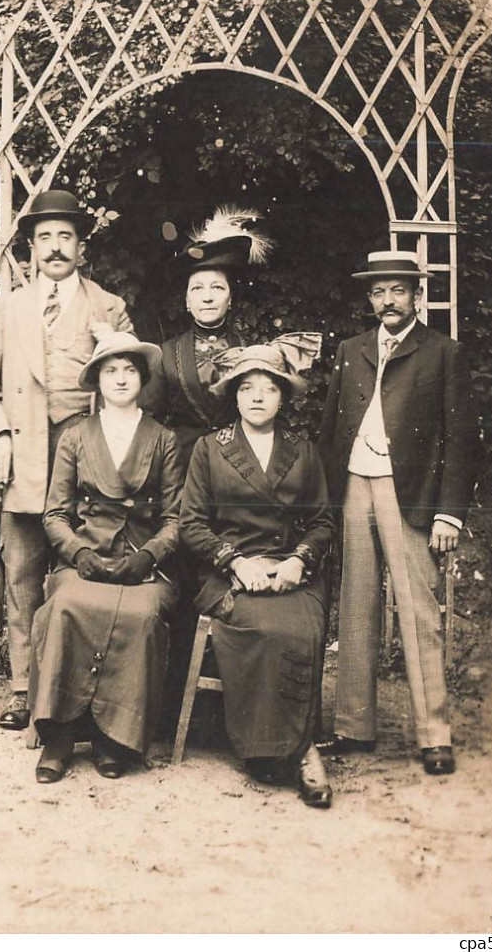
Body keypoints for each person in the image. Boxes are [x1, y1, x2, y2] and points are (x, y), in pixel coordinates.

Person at [0, 190, 133, 730]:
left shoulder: (109, 306)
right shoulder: (9, 307)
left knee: (86, 577)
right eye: (45, 238)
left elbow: (135, 385)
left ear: (81, 248)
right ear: (31, 249)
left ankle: (84, 697)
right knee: (22, 575)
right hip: (25, 460)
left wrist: (114, 341)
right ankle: (22, 688)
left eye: (65, 237)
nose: (55, 247)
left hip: (88, 464)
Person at [317, 251, 481, 775]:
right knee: (356, 603)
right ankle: (353, 726)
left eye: (398, 291)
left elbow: (461, 439)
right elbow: (329, 430)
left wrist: (448, 515)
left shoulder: (443, 353)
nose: (387, 301)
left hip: (409, 492)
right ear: (370, 298)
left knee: (417, 609)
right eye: (379, 292)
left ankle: (434, 735)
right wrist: (323, 500)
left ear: (416, 295)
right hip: (353, 486)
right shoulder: (351, 350)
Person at [179, 343, 335, 807]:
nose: (258, 397)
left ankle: (292, 746)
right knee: (264, 627)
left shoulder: (302, 452)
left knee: (302, 626)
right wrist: (234, 562)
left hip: (290, 571)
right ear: (235, 396)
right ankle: (286, 749)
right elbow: (190, 522)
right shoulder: (211, 448)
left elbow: (324, 521)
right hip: (228, 572)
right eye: (247, 388)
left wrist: (299, 560)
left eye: (269, 388)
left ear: (283, 398)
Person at [27, 332, 183, 782]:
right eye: (110, 370)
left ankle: (113, 739)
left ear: (143, 378)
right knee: (66, 606)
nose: (120, 378)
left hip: (141, 563)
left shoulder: (163, 438)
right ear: (96, 380)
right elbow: (54, 513)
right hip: (86, 559)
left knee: (144, 615)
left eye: (129, 370)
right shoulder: (75, 435)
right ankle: (59, 734)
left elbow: (175, 518)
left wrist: (150, 555)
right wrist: (77, 552)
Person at [143, 207, 272, 469]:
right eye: (197, 289)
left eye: (217, 287)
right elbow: (151, 424)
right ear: (187, 301)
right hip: (183, 468)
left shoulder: (250, 352)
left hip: (240, 468)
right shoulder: (165, 355)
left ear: (230, 298)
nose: (208, 297)